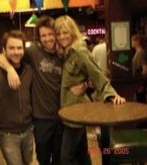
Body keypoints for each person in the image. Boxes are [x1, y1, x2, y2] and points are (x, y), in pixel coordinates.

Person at [54, 15, 126, 165]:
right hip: (69, 109)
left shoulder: (79, 51)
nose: (61, 37)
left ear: (73, 32)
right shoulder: (66, 53)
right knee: (83, 154)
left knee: (65, 158)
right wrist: (85, 83)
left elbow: (97, 74)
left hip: (76, 112)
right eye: (59, 33)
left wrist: (112, 94)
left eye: (65, 32)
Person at [0, 16, 64, 165]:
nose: (47, 39)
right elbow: (2, 55)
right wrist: (9, 69)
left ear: (56, 34)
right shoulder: (33, 52)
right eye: (43, 35)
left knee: (60, 159)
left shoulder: (63, 54)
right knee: (43, 159)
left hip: (61, 117)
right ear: (39, 38)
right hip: (40, 120)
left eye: (50, 34)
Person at [0, 30, 34, 165]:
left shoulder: (29, 69)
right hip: (7, 133)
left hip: (28, 129)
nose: (16, 52)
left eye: (19, 48)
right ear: (4, 50)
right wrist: (9, 69)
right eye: (11, 48)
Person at [131, 34, 147, 103]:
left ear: (137, 41)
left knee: (141, 101)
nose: (131, 42)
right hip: (138, 81)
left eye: (132, 40)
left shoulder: (140, 52)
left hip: (140, 82)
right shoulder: (138, 52)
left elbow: (145, 69)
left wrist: (141, 84)